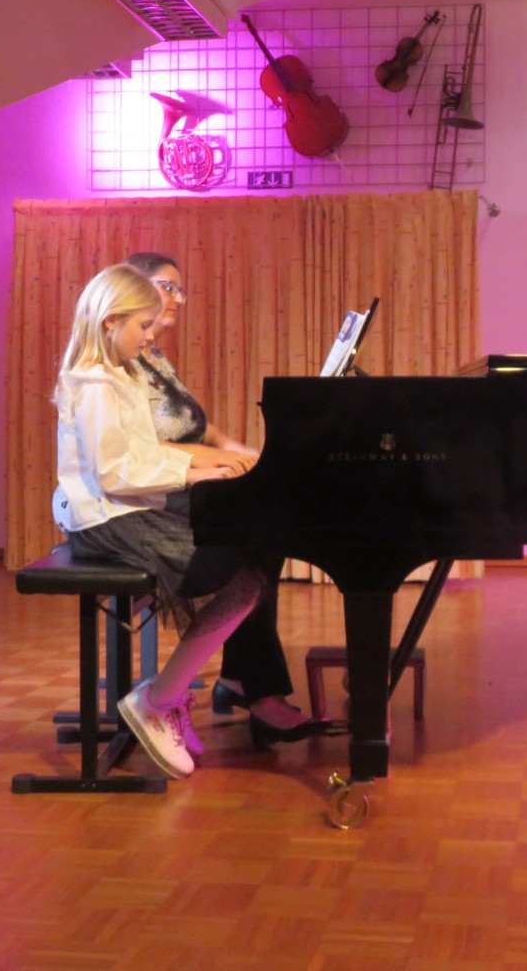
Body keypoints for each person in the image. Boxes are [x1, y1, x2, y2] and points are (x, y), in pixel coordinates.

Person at [123, 251, 326, 744]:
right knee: (257, 531)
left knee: (269, 524)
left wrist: (241, 450)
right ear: (134, 290)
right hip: (157, 494)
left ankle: (243, 678)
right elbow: (143, 447)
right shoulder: (123, 363)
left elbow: (198, 425)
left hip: (190, 480)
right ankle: (256, 690)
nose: (178, 298)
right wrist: (219, 462)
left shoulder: (156, 360)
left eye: (180, 289)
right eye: (167, 287)